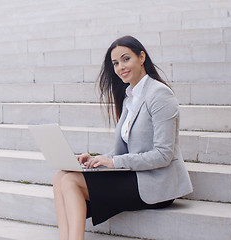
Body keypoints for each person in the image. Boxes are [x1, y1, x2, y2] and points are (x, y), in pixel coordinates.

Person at [52, 35, 193, 240]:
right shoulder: (130, 98)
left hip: (157, 183)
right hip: (136, 174)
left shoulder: (160, 95)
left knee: (71, 181)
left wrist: (114, 162)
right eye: (116, 63)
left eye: (126, 59)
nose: (120, 67)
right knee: (60, 177)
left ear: (141, 57)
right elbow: (123, 152)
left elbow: (163, 155)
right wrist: (96, 159)